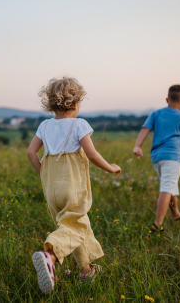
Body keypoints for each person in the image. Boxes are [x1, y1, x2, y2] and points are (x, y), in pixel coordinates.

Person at [26, 77, 121, 294]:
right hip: (72, 187)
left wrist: (44, 174)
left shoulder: (44, 125)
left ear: (51, 104)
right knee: (74, 225)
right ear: (76, 103)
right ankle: (50, 255)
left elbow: (31, 152)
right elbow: (92, 153)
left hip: (51, 188)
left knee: (74, 225)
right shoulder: (79, 124)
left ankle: (86, 271)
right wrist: (110, 168)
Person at [133, 84, 180, 234]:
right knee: (167, 187)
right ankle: (157, 224)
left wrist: (138, 146)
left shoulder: (156, 113)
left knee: (170, 185)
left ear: (167, 99)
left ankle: (176, 214)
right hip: (172, 158)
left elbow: (145, 129)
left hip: (156, 157)